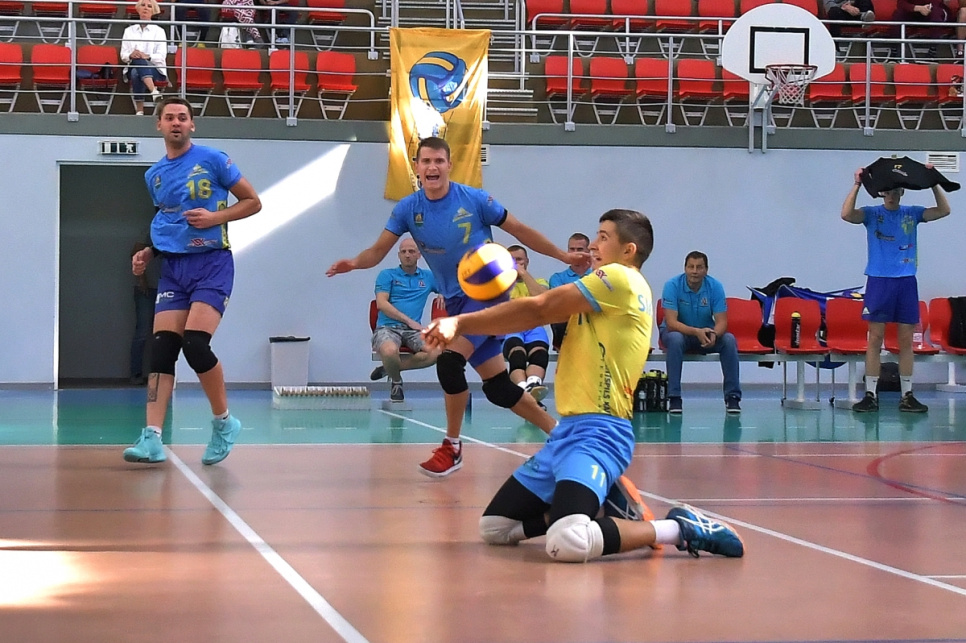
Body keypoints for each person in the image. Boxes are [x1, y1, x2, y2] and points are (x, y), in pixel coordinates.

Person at [423, 209, 744, 563]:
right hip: (567, 434)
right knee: (495, 528)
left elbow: (539, 309)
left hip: (600, 433)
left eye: (603, 237)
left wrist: (460, 322)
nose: (593, 244)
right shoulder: (600, 287)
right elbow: (535, 310)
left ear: (629, 250)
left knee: (568, 542)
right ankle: (601, 507)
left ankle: (679, 528)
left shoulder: (620, 278)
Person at [327, 136, 579, 478]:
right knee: (498, 387)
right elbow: (377, 251)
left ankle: (453, 446)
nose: (432, 167)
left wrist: (562, 256)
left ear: (449, 165)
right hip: (457, 301)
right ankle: (562, 436)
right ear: (416, 167)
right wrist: (354, 263)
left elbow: (520, 230)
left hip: (489, 295)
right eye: (426, 161)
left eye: (438, 161)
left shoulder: (475, 200)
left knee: (448, 361)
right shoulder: (408, 209)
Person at [122, 97, 262, 465]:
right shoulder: (153, 175)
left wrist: (216, 218)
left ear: (192, 124)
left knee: (195, 345)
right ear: (159, 125)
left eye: (182, 117)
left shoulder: (214, 159)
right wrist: (149, 251)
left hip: (212, 263)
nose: (176, 123)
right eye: (169, 117)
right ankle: (152, 437)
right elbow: (167, 222)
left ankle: (224, 423)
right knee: (162, 349)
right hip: (174, 268)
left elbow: (253, 201)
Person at [842, 167, 951, 414]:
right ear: (882, 193)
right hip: (879, 281)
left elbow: (944, 210)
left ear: (902, 192)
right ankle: (871, 395)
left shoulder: (912, 213)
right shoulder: (872, 214)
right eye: (888, 192)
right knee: (875, 338)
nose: (892, 195)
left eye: (896, 191)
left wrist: (933, 182)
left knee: (905, 340)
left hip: (906, 281)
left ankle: (907, 395)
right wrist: (857, 184)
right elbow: (846, 214)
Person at [660, 251, 741, 415]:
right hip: (678, 333)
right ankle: (674, 397)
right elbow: (671, 323)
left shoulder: (715, 287)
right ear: (685, 268)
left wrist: (714, 335)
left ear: (706, 270)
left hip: (705, 334)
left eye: (699, 267)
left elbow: (722, 322)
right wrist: (696, 331)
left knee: (729, 340)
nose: (695, 271)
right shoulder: (672, 286)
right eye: (691, 267)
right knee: (675, 339)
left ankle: (732, 397)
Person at [368, 236, 441, 403]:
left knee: (437, 352)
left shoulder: (428, 277)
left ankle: (390, 368)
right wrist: (409, 321)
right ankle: (396, 381)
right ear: (399, 255)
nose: (407, 255)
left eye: (412, 251)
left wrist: (443, 293)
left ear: (419, 255)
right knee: (389, 351)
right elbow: (381, 304)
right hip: (387, 328)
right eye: (404, 252)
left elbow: (451, 287)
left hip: (413, 332)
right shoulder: (387, 275)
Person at [503, 245, 551, 404]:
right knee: (517, 353)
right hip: (510, 327)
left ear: (526, 261)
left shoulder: (539, 282)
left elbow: (543, 299)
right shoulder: (499, 284)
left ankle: (533, 383)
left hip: (534, 327)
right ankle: (522, 389)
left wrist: (523, 273)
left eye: (519, 260)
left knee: (539, 353)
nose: (515, 263)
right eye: (511, 260)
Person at [120, 0, 167, 116]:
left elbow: (161, 56)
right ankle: (154, 91)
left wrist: (147, 56)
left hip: (154, 69)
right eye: (143, 5)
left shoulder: (159, 31)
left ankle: (139, 110)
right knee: (137, 61)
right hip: (132, 65)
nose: (145, 8)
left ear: (153, 11)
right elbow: (123, 55)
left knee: (136, 71)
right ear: (138, 9)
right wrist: (131, 55)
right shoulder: (128, 31)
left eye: (149, 6)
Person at [547, 232, 592, 349]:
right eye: (572, 249)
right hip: (566, 331)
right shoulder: (557, 277)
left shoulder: (597, 275)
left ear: (588, 252)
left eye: (580, 249)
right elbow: (559, 302)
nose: (575, 253)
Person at [130, 239, 160, 385]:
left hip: (167, 287)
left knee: (162, 335)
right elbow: (136, 251)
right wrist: (142, 280)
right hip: (146, 289)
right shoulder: (150, 232)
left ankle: (160, 375)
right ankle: (136, 374)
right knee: (142, 332)